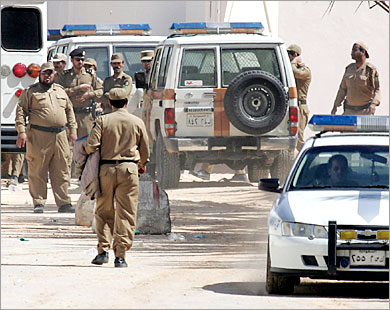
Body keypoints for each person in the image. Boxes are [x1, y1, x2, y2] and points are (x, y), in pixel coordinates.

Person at [86, 88, 150, 268]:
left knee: (104, 211)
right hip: (129, 170)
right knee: (127, 213)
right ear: (127, 102)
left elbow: (91, 145)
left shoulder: (102, 120)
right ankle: (120, 256)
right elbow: (145, 150)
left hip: (105, 169)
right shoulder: (137, 122)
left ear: (110, 103)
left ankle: (103, 251)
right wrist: (140, 165)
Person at [15, 62, 77, 213]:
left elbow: (69, 111)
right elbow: (21, 111)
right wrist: (21, 131)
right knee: (38, 170)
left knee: (62, 169)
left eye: (50, 73)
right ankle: (39, 202)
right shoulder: (30, 92)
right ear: (40, 75)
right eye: (44, 73)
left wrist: (73, 130)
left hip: (61, 136)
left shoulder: (61, 91)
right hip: (38, 136)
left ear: (54, 75)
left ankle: (63, 203)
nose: (47, 76)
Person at [57, 48, 103, 137]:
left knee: (86, 144)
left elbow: (100, 90)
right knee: (70, 144)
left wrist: (89, 95)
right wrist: (78, 88)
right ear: (72, 60)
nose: (80, 62)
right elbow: (60, 92)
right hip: (70, 115)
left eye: (82, 59)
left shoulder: (90, 74)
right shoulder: (65, 75)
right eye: (78, 59)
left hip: (86, 116)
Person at [331, 41, 380, 116]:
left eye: (355, 50)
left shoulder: (371, 70)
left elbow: (377, 89)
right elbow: (342, 89)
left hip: (365, 111)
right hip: (349, 111)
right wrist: (336, 105)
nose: (352, 52)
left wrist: (374, 103)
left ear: (363, 51)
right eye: (352, 50)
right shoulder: (349, 69)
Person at [287, 44, 311, 151]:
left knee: (299, 137)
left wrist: (293, 62)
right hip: (292, 104)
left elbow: (296, 73)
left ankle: (306, 156)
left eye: (290, 54)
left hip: (301, 106)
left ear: (295, 55)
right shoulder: (289, 68)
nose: (288, 56)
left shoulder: (305, 71)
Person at [140, 50, 155, 143]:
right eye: (144, 61)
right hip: (146, 104)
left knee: (152, 129)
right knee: (145, 128)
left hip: (154, 103)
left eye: (149, 61)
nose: (147, 64)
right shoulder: (144, 75)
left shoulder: (158, 74)